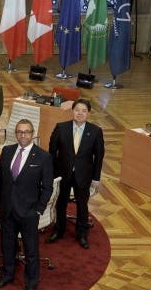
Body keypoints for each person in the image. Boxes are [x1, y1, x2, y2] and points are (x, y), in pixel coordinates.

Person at [0, 119, 53, 290]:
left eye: (26, 132)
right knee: (7, 246)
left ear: (32, 134)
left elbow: (47, 188)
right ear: (15, 134)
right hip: (7, 210)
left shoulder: (43, 156)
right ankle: (8, 275)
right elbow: (0, 181)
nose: (22, 135)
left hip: (29, 213)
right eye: (19, 132)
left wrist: (38, 210)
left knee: (31, 251)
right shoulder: (7, 151)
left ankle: (31, 282)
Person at [46, 98, 104, 249]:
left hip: (84, 175)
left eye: (84, 111)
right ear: (73, 111)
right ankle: (59, 230)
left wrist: (96, 178)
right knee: (61, 203)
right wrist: (50, 173)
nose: (80, 113)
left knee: (82, 206)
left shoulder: (96, 131)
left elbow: (98, 157)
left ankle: (82, 234)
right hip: (62, 173)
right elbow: (51, 152)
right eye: (77, 110)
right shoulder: (61, 127)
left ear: (88, 114)